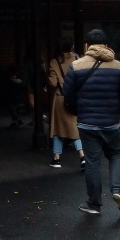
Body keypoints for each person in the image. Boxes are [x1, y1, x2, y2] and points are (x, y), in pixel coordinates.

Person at [63, 29, 120, 216]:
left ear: (86, 45)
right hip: (111, 122)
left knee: (92, 162)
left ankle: (94, 203)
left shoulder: (76, 66)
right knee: (116, 155)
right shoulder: (118, 66)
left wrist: (79, 111)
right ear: (107, 45)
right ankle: (118, 190)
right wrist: (116, 110)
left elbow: (68, 95)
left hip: (87, 122)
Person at [47, 37, 85, 171]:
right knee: (74, 128)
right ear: (71, 46)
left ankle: (57, 158)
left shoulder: (54, 62)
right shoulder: (78, 59)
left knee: (58, 128)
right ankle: (82, 157)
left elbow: (52, 83)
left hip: (61, 97)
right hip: (75, 98)